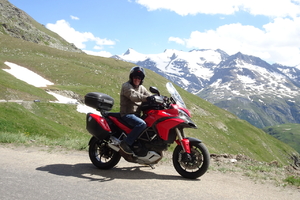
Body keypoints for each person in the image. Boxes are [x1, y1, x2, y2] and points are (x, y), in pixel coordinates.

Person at [119, 66, 152, 155]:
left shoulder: (141, 88)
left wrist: (160, 98)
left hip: (136, 115)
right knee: (142, 124)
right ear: (131, 77)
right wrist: (148, 98)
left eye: (139, 78)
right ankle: (126, 143)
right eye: (135, 77)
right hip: (127, 114)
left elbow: (149, 95)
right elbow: (134, 96)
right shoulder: (126, 86)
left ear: (141, 79)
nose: (137, 79)